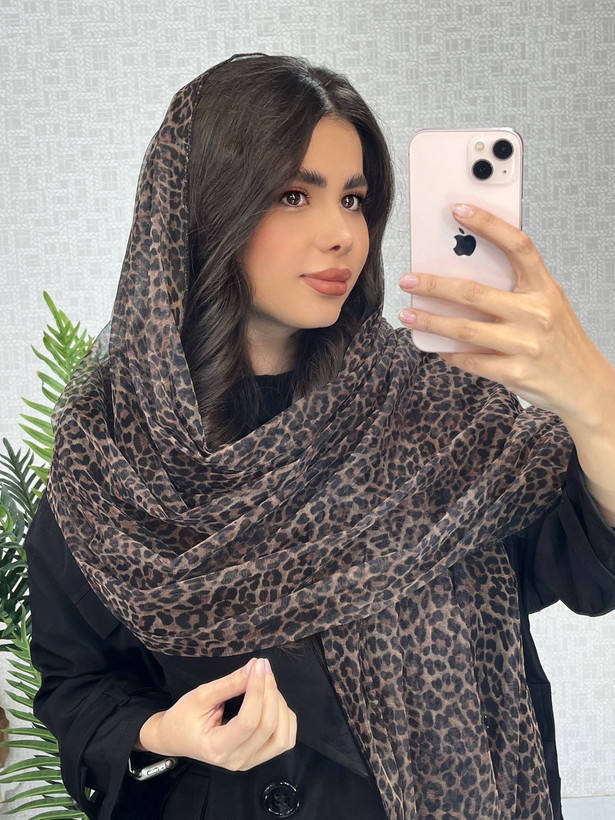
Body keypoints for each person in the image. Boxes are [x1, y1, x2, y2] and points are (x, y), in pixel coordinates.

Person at [25, 53, 615, 820]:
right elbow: (77, 684)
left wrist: (592, 396)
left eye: (354, 199)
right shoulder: (113, 457)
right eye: (294, 195)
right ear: (202, 211)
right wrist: (161, 733)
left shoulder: (432, 408)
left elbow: (587, 557)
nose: (341, 233)